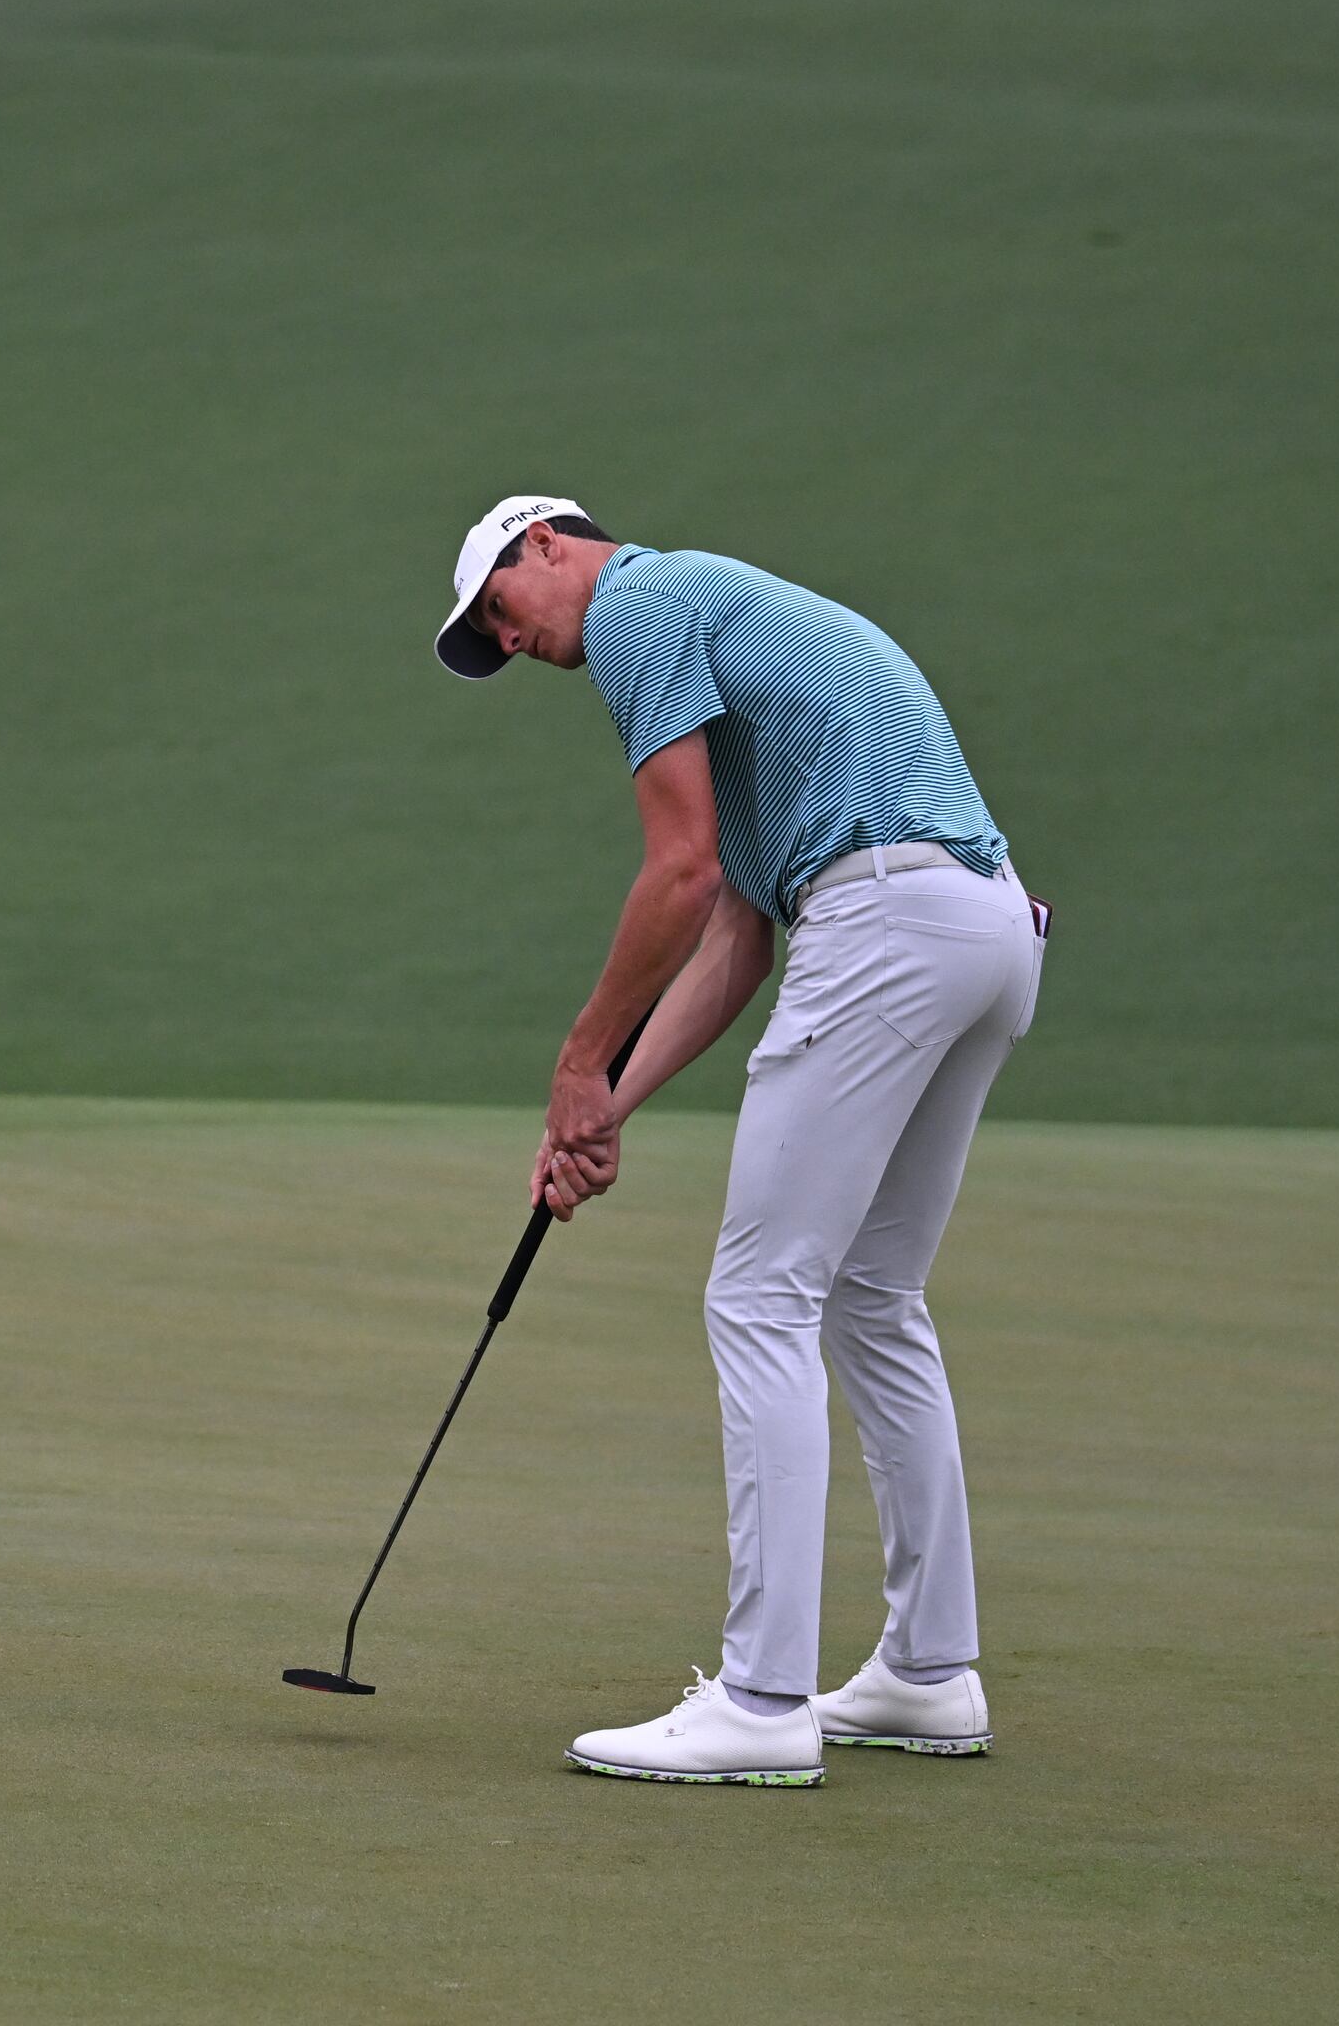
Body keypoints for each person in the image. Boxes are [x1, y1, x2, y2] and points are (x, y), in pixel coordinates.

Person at [431, 498, 1039, 1784]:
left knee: (761, 1294)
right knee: (872, 1295)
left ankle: (763, 1698)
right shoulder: (728, 648)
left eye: (501, 601)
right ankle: (933, 1672)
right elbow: (736, 939)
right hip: (982, 928)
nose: (511, 636)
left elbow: (680, 873)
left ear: (550, 543)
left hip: (886, 918)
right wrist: (604, 1110)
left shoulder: (641, 602)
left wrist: (576, 1058)